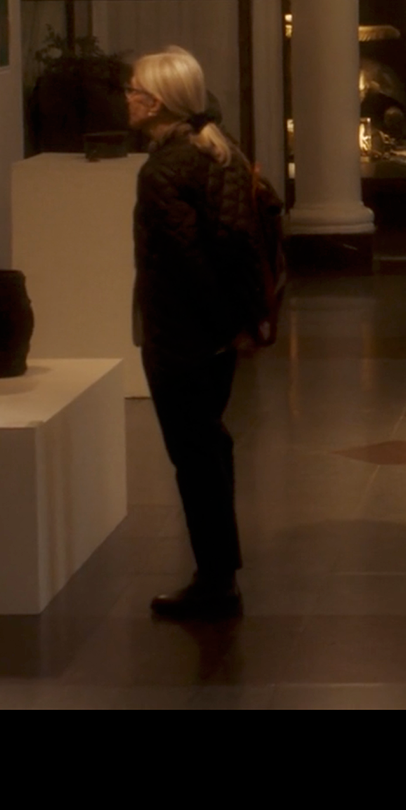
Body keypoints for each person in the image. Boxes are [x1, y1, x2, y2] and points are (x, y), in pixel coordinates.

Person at [127, 46, 261, 620]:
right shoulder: (218, 150)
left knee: (196, 456)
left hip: (182, 334)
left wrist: (217, 325)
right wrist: (241, 324)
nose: (127, 97)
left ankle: (215, 582)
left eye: (134, 89)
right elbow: (238, 244)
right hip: (214, 335)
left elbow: (188, 262)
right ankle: (218, 573)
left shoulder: (164, 170)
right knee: (209, 448)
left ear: (156, 102)